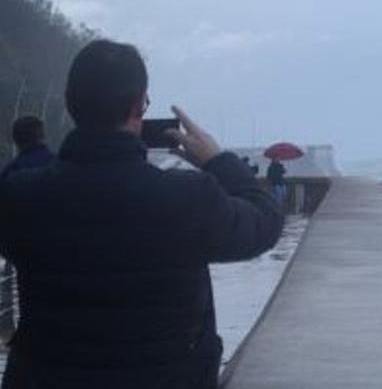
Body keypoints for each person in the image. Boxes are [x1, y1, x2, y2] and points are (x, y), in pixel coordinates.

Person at [0, 39, 284, 388]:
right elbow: (265, 222)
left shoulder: (19, 197)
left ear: (72, 105)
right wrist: (217, 161)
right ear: (139, 106)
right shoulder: (189, 198)